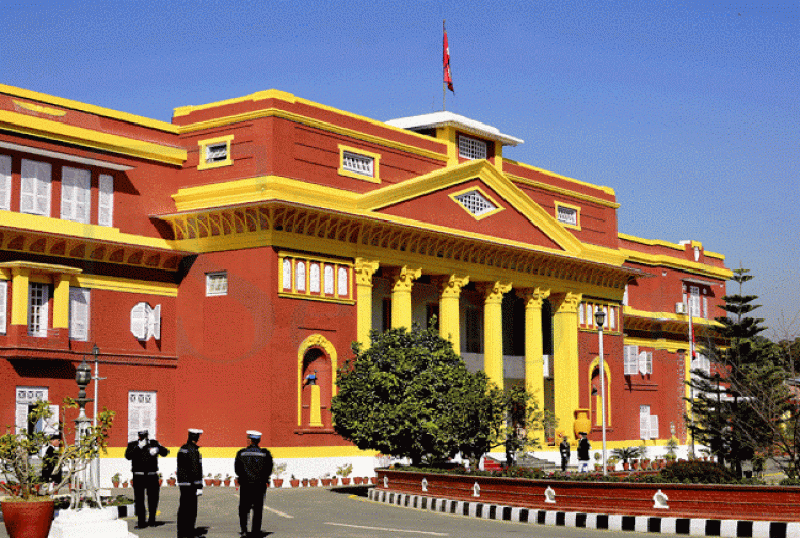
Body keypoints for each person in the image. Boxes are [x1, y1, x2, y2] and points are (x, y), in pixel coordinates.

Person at [125, 429, 169, 528]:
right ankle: (141, 522)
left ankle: (152, 520)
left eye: (145, 435)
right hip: (139, 476)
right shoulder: (133, 445)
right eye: (142, 436)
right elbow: (128, 456)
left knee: (153, 499)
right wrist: (138, 447)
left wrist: (158, 449)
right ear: (138, 436)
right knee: (139, 500)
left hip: (151, 475)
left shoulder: (154, 443)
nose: (143, 437)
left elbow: (165, 452)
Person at [234, 430, 273, 537]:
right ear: (258, 440)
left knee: (244, 508)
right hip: (259, 485)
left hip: (246, 485)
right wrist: (264, 479)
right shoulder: (265, 454)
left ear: (250, 440)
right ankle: (255, 531)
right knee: (258, 509)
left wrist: (243, 478)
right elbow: (268, 469)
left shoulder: (241, 453)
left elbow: (237, 469)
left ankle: (244, 530)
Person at [177, 428, 203, 538]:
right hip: (191, 484)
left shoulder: (182, 448)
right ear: (196, 437)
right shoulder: (193, 450)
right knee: (191, 509)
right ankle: (189, 532)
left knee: (183, 508)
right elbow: (195, 469)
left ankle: (181, 533)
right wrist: (199, 486)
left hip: (183, 483)